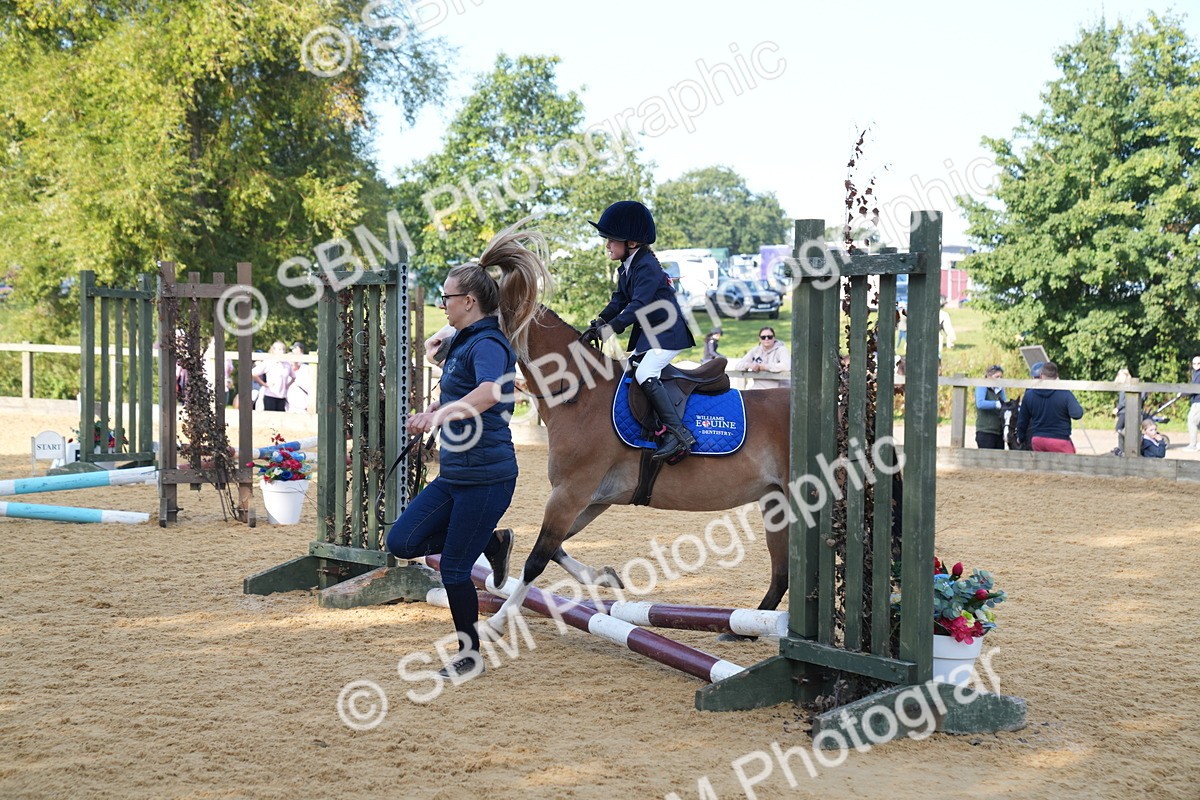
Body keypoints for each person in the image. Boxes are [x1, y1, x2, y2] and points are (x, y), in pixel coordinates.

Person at [386, 221, 550, 680]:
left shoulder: (491, 344)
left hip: (488, 474)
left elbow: (491, 393)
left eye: (447, 297)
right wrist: (438, 404)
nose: (442, 303)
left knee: (455, 569)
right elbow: (455, 380)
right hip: (455, 474)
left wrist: (438, 416)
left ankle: (469, 655)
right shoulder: (462, 342)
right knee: (402, 541)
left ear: (469, 301)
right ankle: (493, 541)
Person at [582, 200, 697, 463]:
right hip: (652, 334)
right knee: (632, 370)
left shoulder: (647, 267)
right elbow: (619, 301)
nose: (607, 245)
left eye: (611, 240)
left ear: (631, 242)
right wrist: (599, 321)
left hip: (668, 334)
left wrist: (612, 329)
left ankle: (679, 435)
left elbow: (638, 305)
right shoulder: (629, 265)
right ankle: (654, 428)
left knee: (645, 372)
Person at [1016, 361, 1083, 453]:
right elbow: (1077, 414)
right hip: (1059, 440)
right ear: (1057, 376)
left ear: (1041, 375)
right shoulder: (1065, 393)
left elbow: (1022, 420)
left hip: (1038, 440)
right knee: (1070, 465)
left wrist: (1021, 437)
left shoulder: (1029, 395)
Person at [252, 341, 294, 412]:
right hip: (270, 395)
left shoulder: (287, 364)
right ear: (274, 350)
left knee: (280, 419)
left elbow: (293, 377)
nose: (282, 351)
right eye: (280, 349)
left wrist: (287, 385)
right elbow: (253, 373)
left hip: (282, 396)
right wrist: (264, 384)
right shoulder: (268, 362)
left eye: (283, 349)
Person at [974, 365, 1008, 450]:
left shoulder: (1000, 389)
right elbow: (980, 403)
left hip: (999, 432)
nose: (999, 379)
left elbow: (1004, 403)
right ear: (989, 376)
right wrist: (996, 404)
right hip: (985, 431)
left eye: (1001, 377)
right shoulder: (982, 386)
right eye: (997, 377)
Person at [286, 342, 311, 413]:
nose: (293, 351)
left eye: (294, 349)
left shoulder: (306, 365)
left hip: (303, 403)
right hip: (290, 404)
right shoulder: (288, 369)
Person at [1186, 356, 1200, 451]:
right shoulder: (1194, 373)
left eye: (1198, 363)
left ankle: (1193, 445)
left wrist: (1184, 392)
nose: (1196, 365)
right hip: (1196, 400)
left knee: (1191, 421)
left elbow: (1194, 387)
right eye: (1194, 363)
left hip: (1198, 401)